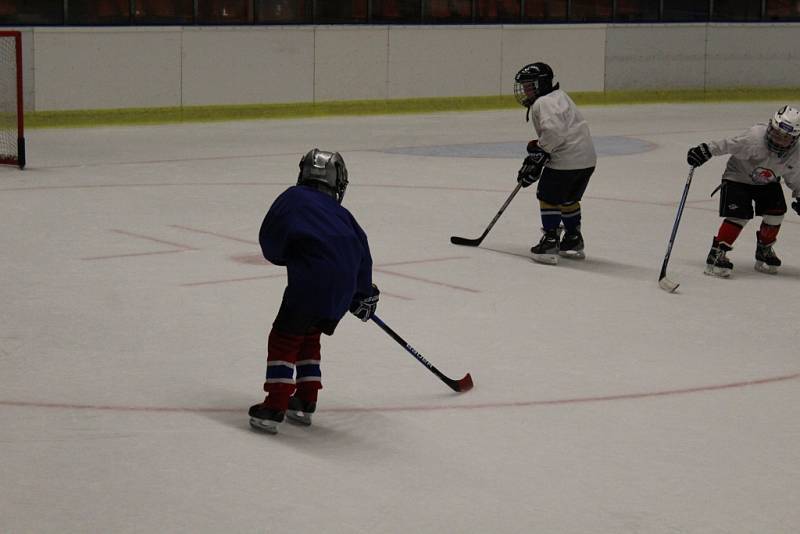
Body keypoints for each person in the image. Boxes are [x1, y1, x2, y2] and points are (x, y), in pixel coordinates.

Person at [249, 148, 379, 434]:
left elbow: (269, 241)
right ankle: (306, 400)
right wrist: (363, 294)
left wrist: (289, 255)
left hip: (308, 283)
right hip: (341, 289)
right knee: (309, 334)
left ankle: (275, 406)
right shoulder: (343, 215)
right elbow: (362, 252)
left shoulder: (291, 199)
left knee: (284, 337)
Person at [687, 105, 800, 277]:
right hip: (737, 178)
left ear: (794, 139)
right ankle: (717, 253)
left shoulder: (796, 153)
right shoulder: (755, 137)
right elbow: (727, 145)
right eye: (776, 133)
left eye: (785, 138)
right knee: (739, 215)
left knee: (776, 213)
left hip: (767, 182)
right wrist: (706, 150)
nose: (778, 140)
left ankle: (764, 249)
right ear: (771, 127)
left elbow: (796, 176)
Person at [513, 62, 597, 265]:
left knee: (548, 196)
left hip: (565, 160)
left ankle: (550, 241)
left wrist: (539, 154)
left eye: (529, 86)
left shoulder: (543, 103)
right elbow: (566, 130)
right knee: (568, 198)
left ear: (541, 84)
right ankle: (572, 239)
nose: (525, 90)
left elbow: (554, 133)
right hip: (586, 160)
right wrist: (540, 148)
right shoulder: (560, 96)